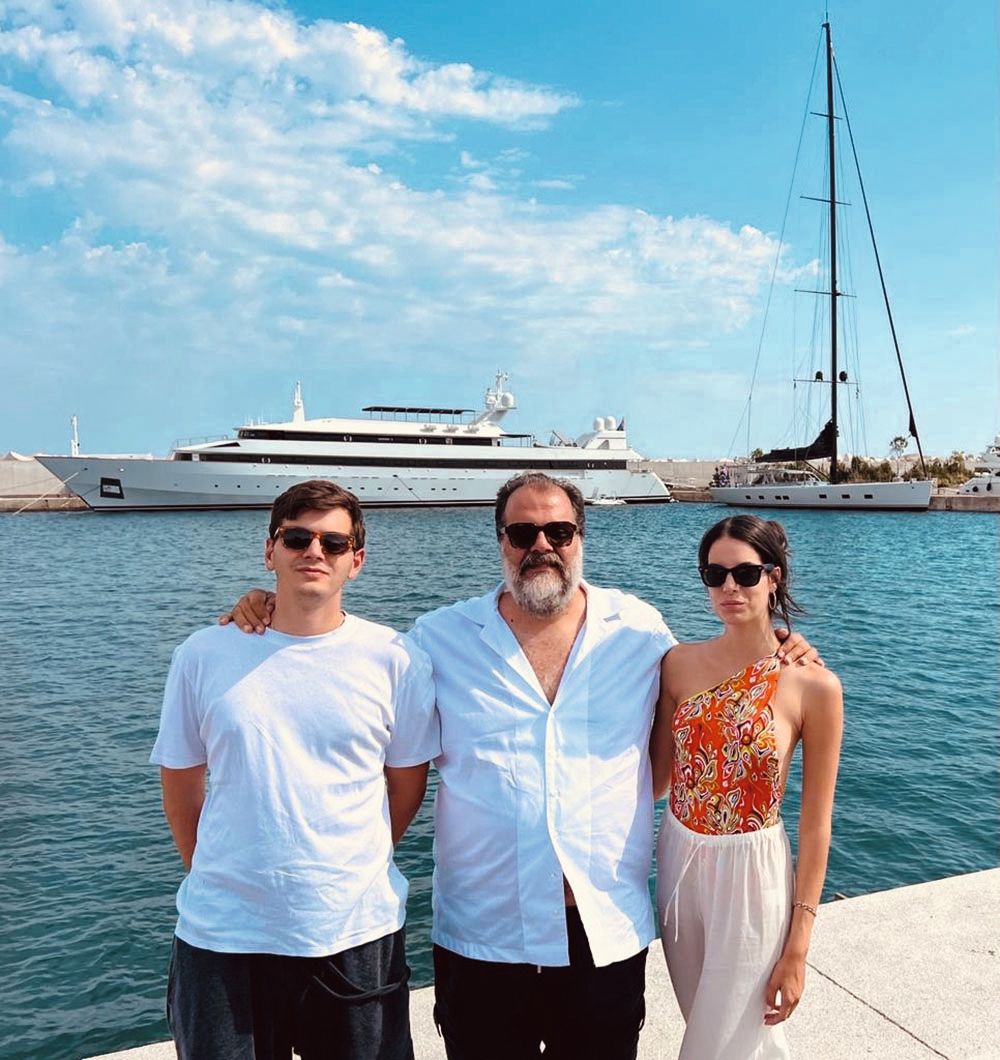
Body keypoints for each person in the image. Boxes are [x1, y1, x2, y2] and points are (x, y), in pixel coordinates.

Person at [224, 473, 819, 1059]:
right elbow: (343, 658)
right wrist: (273, 605)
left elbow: (711, 680)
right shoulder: (439, 638)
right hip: (484, 938)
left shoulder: (639, 631)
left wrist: (783, 648)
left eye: (558, 532)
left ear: (580, 538)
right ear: (501, 541)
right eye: (522, 533)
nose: (541, 546)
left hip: (602, 932)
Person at [151, 480, 439, 1060]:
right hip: (222, 934)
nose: (314, 552)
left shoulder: (396, 659)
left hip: (356, 929)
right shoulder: (202, 655)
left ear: (356, 561)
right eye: (298, 538)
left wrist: (349, 862)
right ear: (270, 550)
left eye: (334, 543)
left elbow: (407, 783)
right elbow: (181, 785)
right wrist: (219, 872)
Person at [651, 514, 843, 1060]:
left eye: (746, 573)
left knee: (722, 1043)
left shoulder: (815, 685)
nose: (729, 587)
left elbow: (816, 824)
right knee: (718, 1030)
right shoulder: (677, 665)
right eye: (715, 575)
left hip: (752, 871)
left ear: (774, 577)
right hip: (679, 860)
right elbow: (656, 781)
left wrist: (798, 947)